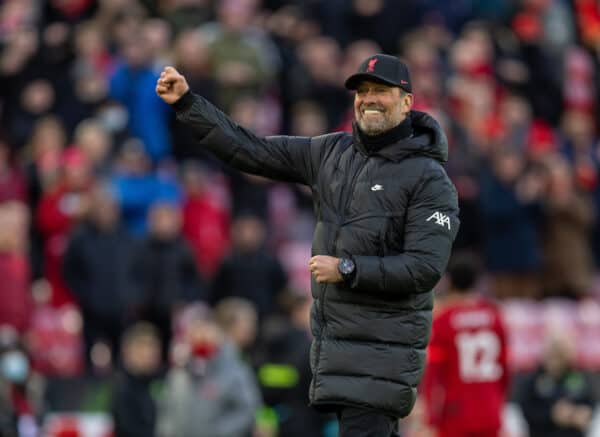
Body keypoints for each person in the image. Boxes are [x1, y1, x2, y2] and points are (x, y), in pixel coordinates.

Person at [156, 53, 460, 437]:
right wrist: (188, 104)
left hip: (382, 355)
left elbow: (424, 268)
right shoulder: (330, 153)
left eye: (380, 91)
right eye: (362, 91)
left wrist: (348, 269)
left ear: (406, 102)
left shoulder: (429, 179)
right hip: (338, 353)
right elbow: (251, 149)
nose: (368, 98)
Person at [420, 252, 510, 437]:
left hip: (456, 415)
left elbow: (434, 376)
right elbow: (505, 368)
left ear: (449, 281)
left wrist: (431, 420)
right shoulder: (494, 316)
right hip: (490, 411)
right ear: (477, 282)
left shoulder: (443, 321)